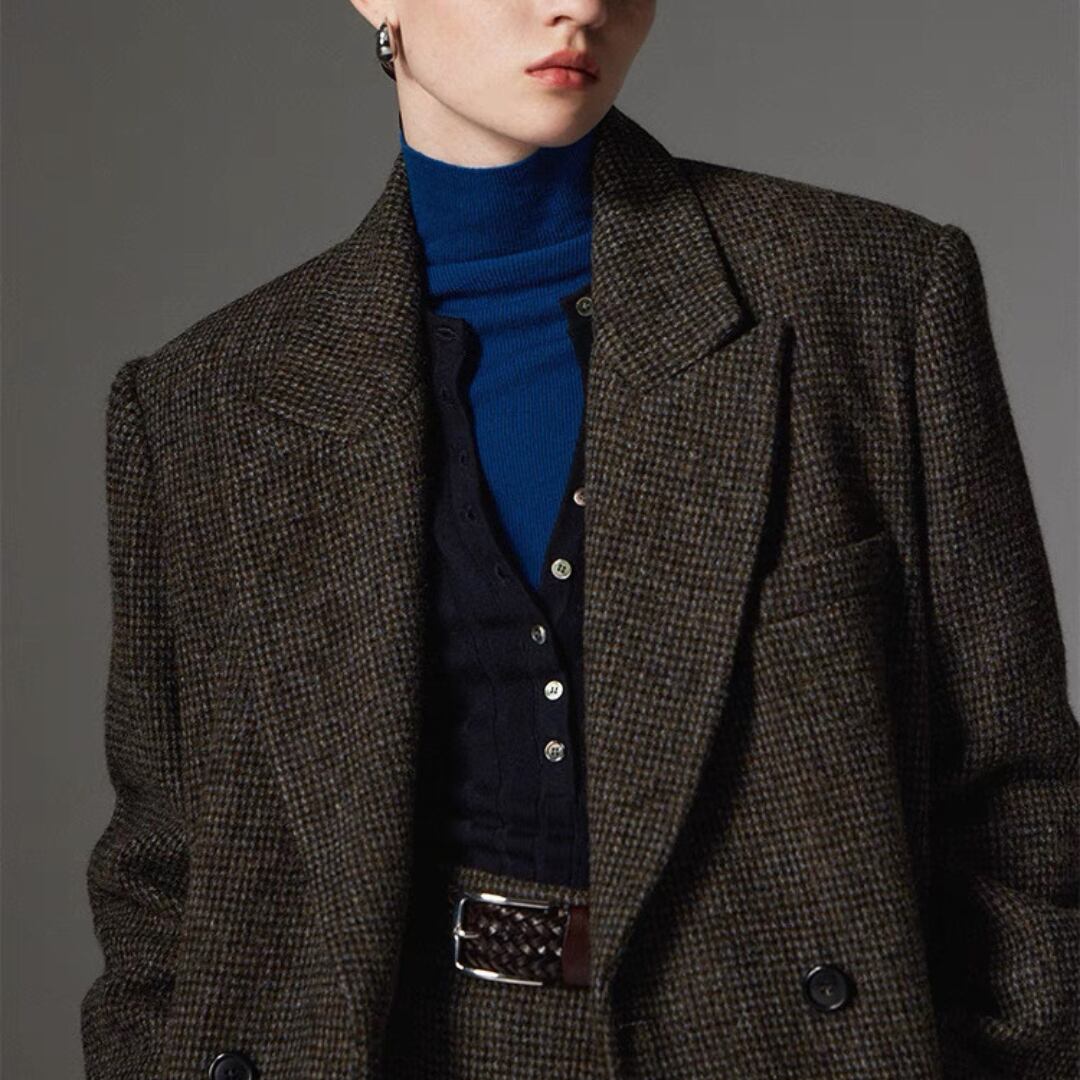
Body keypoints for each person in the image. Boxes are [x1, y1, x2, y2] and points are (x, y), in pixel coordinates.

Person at [80, 2, 1079, 1078]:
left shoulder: (870, 298)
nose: (584, 4)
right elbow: (160, 881)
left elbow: (1021, 801)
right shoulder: (202, 403)